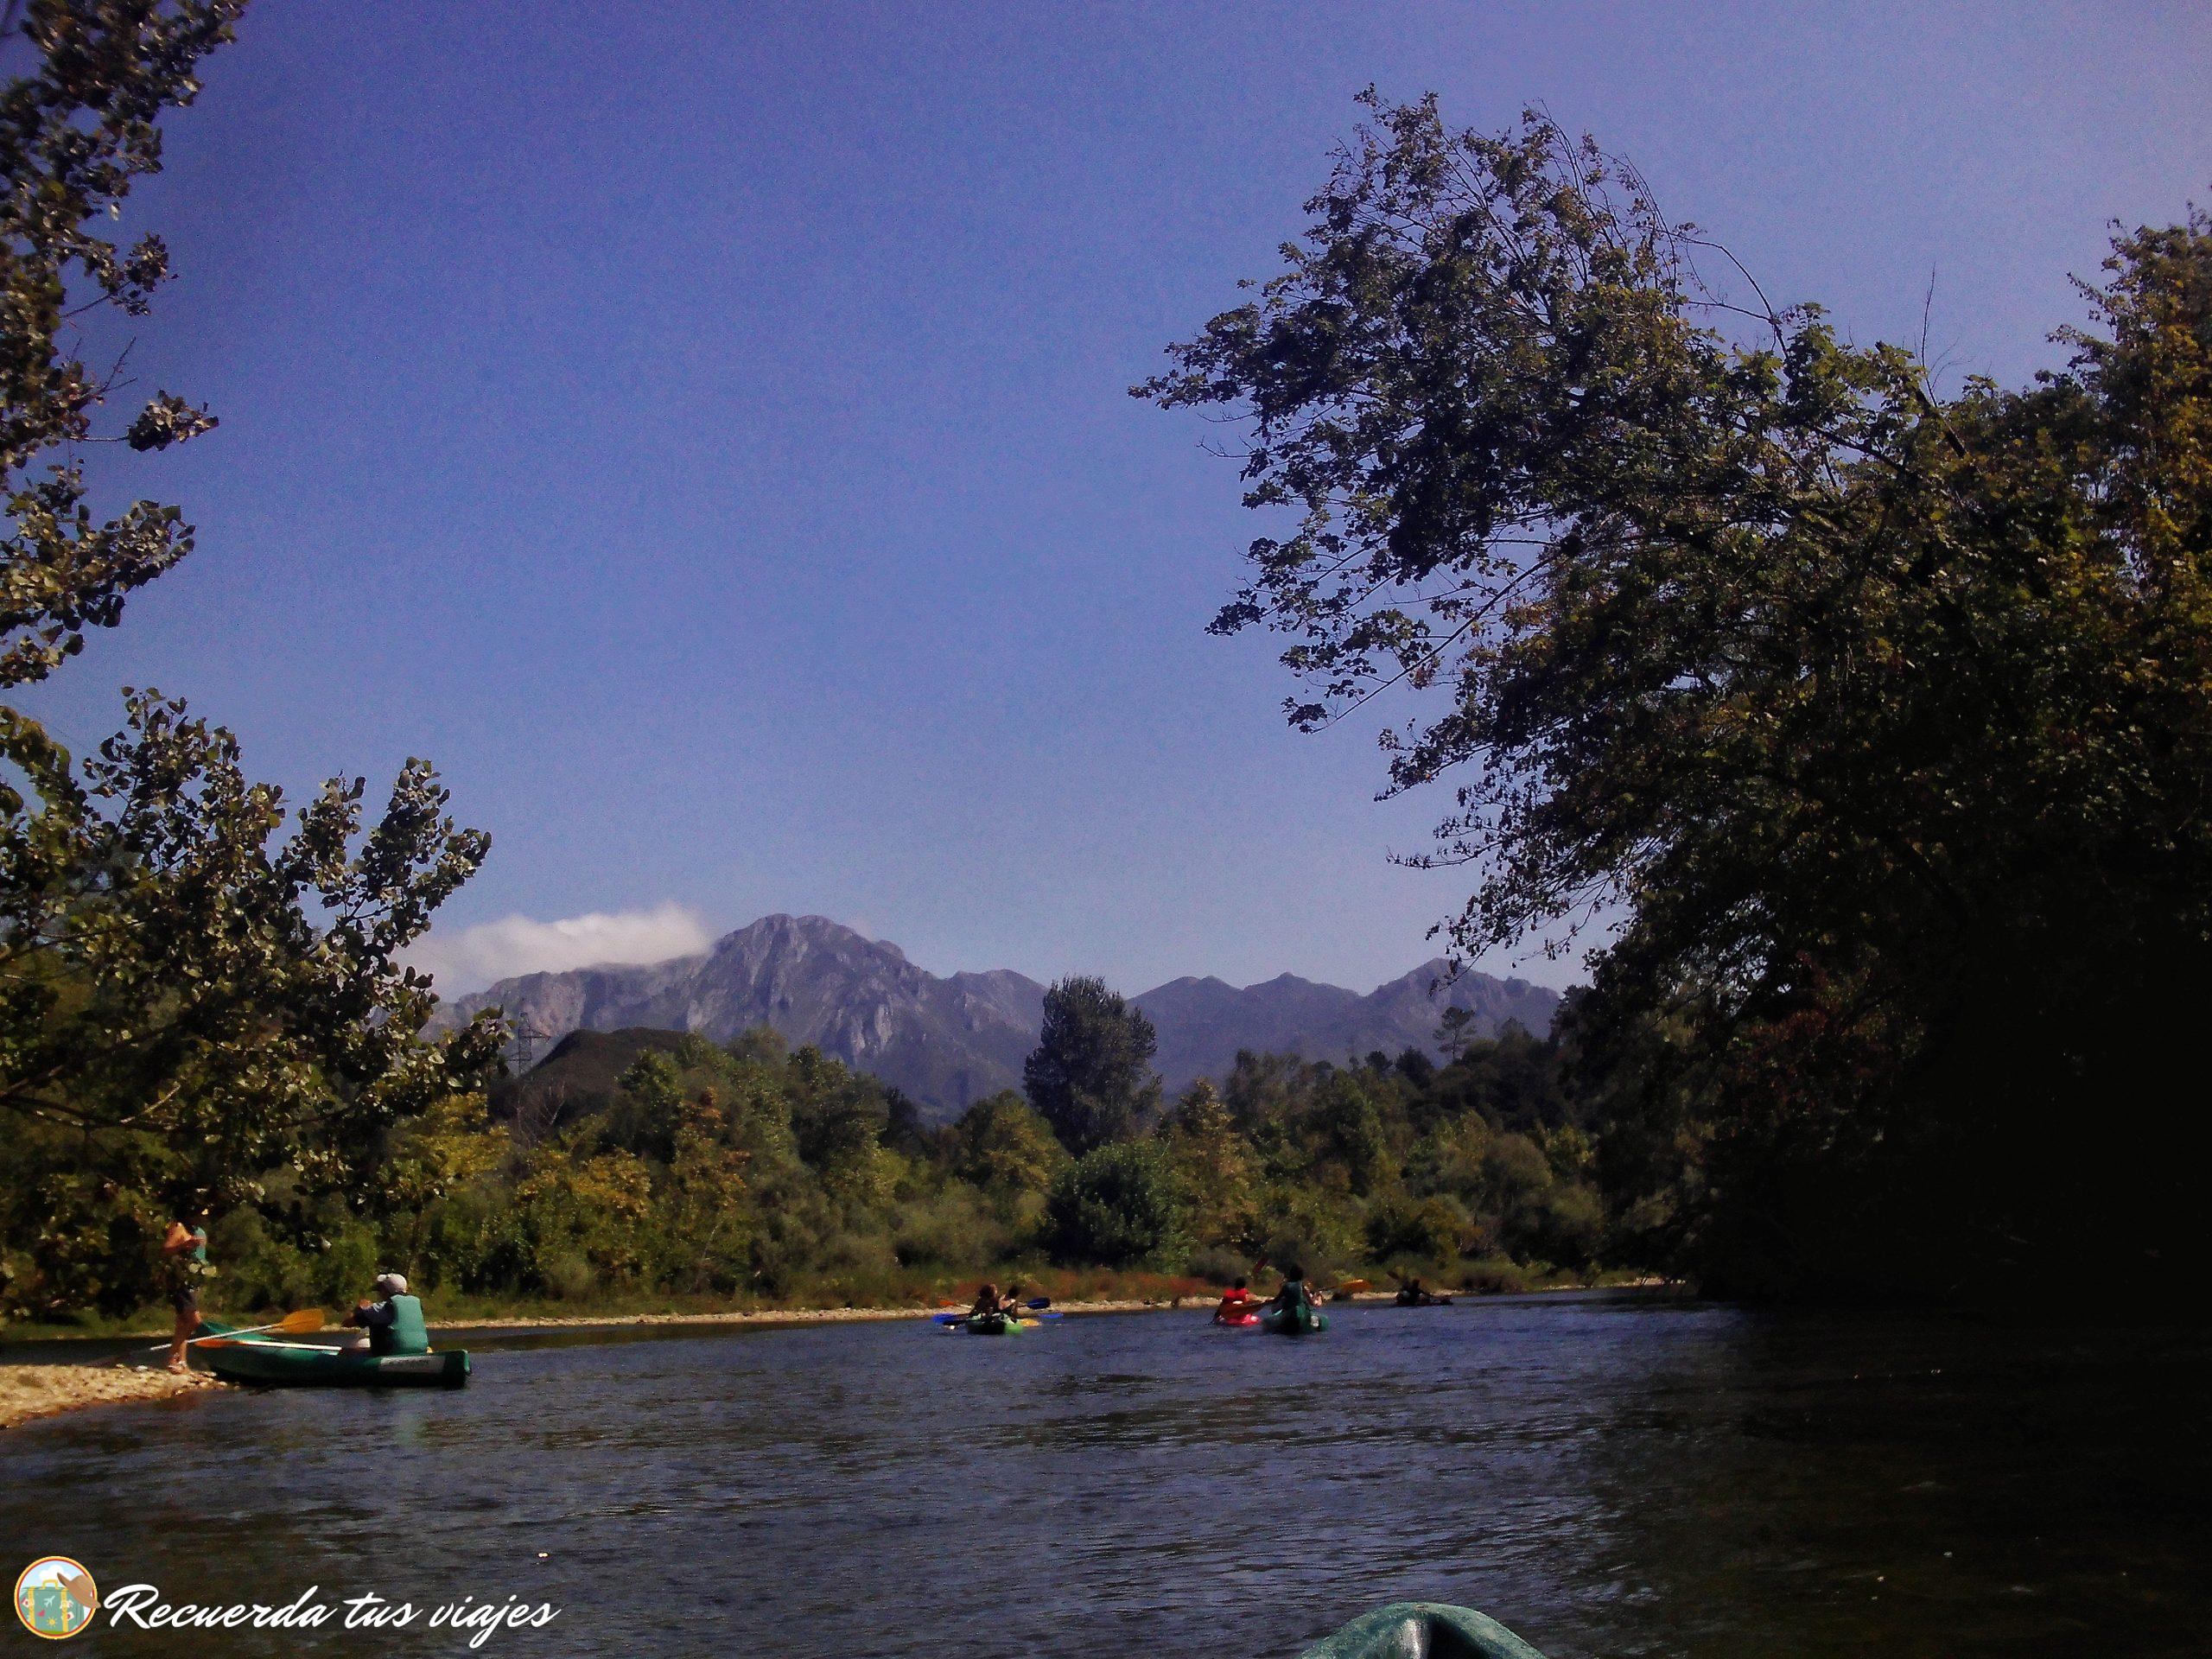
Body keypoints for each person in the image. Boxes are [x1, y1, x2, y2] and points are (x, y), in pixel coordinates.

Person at [161, 1206, 213, 1373]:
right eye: (198, 1215)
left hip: (194, 1279)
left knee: (183, 1322)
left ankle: (181, 1361)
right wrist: (185, 1244)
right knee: (194, 1321)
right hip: (182, 1279)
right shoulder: (179, 1227)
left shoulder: (199, 1231)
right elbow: (167, 1249)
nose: (201, 1218)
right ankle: (170, 1356)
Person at [343, 1272, 432, 1356]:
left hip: (388, 1354)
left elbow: (347, 1323)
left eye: (380, 1290)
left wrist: (359, 1308)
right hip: (418, 1351)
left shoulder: (381, 1308)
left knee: (344, 1352)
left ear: (385, 1290)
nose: (379, 1294)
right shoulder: (415, 1304)